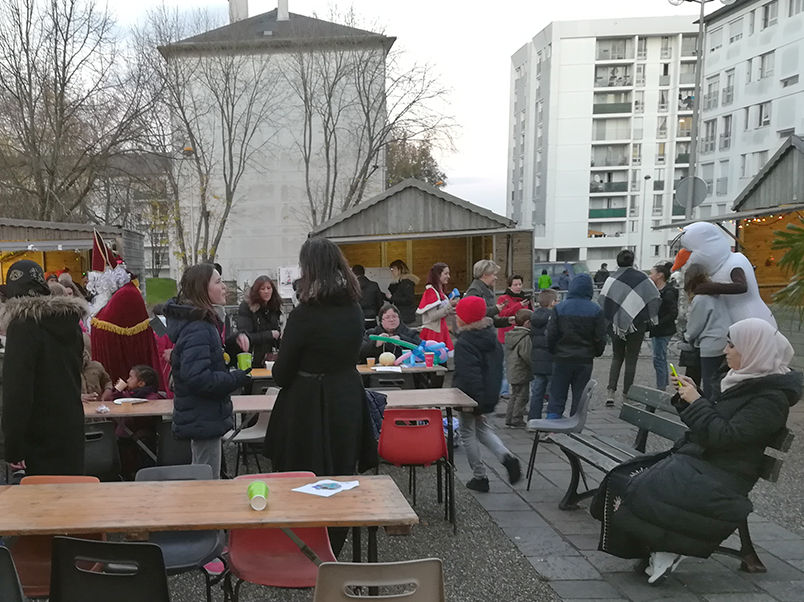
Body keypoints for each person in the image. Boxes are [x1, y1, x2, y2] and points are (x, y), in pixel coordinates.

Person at [594, 318, 801, 584]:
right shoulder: (744, 381)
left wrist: (697, 402)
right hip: (705, 461)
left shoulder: (770, 398)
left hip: (724, 475)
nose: (726, 351)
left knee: (641, 484)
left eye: (732, 345)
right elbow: (716, 422)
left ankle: (668, 547)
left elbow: (726, 437)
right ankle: (654, 546)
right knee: (622, 476)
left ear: (752, 350)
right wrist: (691, 397)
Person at [264, 238, 378, 556]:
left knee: (304, 476)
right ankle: (336, 543)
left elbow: (281, 374)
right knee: (342, 473)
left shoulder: (306, 315)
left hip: (308, 404)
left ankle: (309, 548)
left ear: (310, 270)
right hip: (348, 397)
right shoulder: (354, 309)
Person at [1, 260, 87, 476]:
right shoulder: (69, 322)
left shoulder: (22, 326)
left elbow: (18, 391)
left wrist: (12, 447)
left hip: (38, 435)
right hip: (71, 426)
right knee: (72, 497)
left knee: (41, 504)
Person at [164, 264, 250, 477]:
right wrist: (236, 377)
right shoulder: (199, 327)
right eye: (218, 282)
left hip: (204, 416)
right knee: (207, 481)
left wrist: (230, 344)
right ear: (204, 289)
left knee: (205, 474)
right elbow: (198, 377)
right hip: (203, 416)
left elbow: (205, 358)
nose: (224, 288)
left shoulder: (203, 324)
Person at [453, 296, 521, 492]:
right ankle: (507, 457)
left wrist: (475, 405)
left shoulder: (465, 343)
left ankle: (479, 476)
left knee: (467, 433)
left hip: (471, 398)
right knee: (483, 430)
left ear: (464, 319)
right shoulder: (491, 338)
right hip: (489, 395)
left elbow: (469, 377)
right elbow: (495, 371)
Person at [599, 249, 661, 406]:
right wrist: (648, 316)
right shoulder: (642, 278)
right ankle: (627, 395)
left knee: (616, 357)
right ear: (632, 261)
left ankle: (610, 393)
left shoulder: (611, 279)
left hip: (616, 325)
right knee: (631, 360)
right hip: (637, 325)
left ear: (617, 261)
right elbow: (655, 297)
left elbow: (603, 302)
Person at [545, 273, 606, 419]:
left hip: (562, 358)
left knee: (557, 394)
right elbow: (600, 337)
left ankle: (552, 427)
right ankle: (575, 427)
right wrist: (596, 352)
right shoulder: (596, 310)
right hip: (584, 359)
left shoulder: (559, 308)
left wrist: (553, 350)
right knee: (580, 396)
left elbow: (552, 334)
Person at [683, 264, 730, 399]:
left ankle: (711, 409)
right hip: (724, 341)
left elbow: (695, 326)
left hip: (710, 344)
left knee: (709, 381)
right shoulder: (715, 295)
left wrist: (687, 337)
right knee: (720, 381)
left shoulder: (700, 299)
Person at [235, 276, 282, 367]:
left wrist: (281, 337)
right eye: (262, 288)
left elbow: (275, 333)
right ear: (257, 291)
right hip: (250, 358)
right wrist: (270, 334)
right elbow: (246, 335)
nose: (266, 291)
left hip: (268, 359)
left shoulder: (274, 308)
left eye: (269, 288)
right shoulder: (247, 307)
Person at [648, 263, 679, 391]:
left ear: (660, 275)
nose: (650, 276)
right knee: (659, 358)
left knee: (659, 359)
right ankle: (662, 385)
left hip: (662, 330)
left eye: (652, 273)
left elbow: (673, 313)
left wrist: (658, 323)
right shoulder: (656, 291)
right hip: (658, 329)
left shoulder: (668, 293)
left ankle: (661, 388)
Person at [529, 289, 558, 421]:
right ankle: (550, 421)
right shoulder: (554, 317)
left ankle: (533, 419)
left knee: (537, 393)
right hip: (551, 359)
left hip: (536, 360)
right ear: (552, 303)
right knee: (553, 393)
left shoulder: (533, 318)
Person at [416, 262, 457, 352]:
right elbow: (433, 316)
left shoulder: (439, 291)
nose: (448, 276)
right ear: (438, 275)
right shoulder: (431, 292)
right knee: (436, 359)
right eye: (446, 273)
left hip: (440, 330)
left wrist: (452, 310)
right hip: (433, 332)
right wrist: (449, 305)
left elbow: (441, 312)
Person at [504, 309, 533, 428]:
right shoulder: (525, 337)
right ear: (527, 323)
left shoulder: (512, 335)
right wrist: (534, 364)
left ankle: (509, 418)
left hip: (513, 369)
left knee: (514, 395)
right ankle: (517, 418)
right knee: (522, 396)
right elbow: (527, 355)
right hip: (521, 370)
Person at [496, 274, 530, 345]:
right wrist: (519, 305)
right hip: (508, 336)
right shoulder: (503, 299)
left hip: (523, 336)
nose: (518, 287)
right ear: (509, 286)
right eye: (515, 285)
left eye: (520, 284)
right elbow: (502, 314)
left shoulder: (525, 299)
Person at [386, 260, 420, 325]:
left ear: (399, 269)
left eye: (393, 269)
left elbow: (408, 300)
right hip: (401, 314)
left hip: (405, 315)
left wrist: (391, 298)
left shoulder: (407, 283)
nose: (392, 271)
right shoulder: (399, 282)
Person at [81, 333, 112, 402]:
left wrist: (108, 390)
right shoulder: (65, 370)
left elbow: (107, 381)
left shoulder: (96, 366)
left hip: (97, 407)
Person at [352, 265, 384, 329]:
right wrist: (375, 312)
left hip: (356, 317)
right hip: (371, 317)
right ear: (364, 273)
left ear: (353, 274)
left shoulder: (352, 287)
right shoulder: (374, 285)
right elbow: (380, 302)